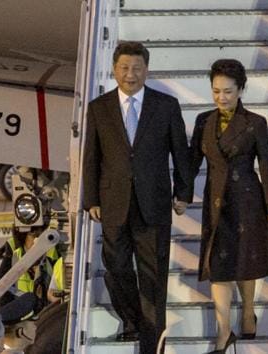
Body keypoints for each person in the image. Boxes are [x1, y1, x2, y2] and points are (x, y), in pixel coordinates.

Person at [82, 41, 192, 354]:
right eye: (124, 68)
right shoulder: (99, 107)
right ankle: (131, 319)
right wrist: (91, 199)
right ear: (114, 69)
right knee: (116, 267)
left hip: (154, 204)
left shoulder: (165, 106)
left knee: (153, 275)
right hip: (113, 202)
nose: (131, 74)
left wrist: (183, 192)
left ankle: (151, 342)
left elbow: (180, 154)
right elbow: (91, 157)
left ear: (146, 70)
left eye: (137, 68)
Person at [189, 59, 268, 353]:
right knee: (216, 265)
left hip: (247, 200)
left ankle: (247, 312)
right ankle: (223, 331)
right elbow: (192, 160)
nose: (221, 97)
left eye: (228, 91)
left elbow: (267, 166)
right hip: (215, 200)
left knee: (245, 261)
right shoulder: (203, 121)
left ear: (241, 89)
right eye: (216, 91)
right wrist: (181, 194)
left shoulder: (256, 123)